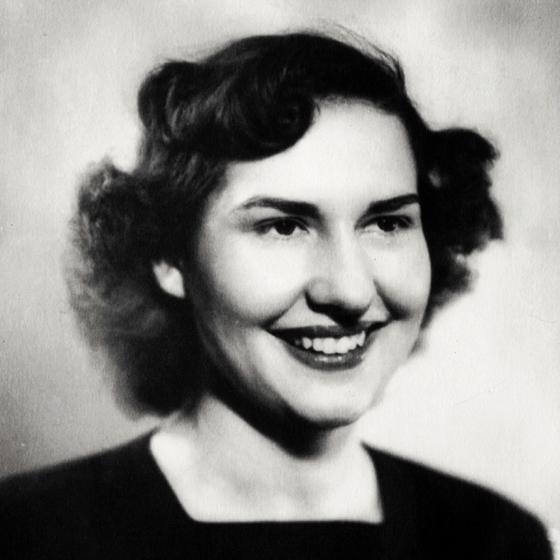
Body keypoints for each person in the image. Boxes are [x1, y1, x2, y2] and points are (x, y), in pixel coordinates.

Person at [0, 31, 552, 559]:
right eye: (283, 227)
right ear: (169, 256)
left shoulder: (498, 543)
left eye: (387, 223)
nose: (350, 290)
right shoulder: (28, 535)